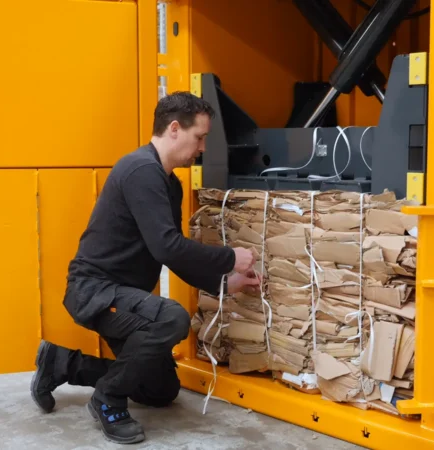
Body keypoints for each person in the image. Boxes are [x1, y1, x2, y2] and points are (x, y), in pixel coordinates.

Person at [29, 92, 260, 445]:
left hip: (124, 299)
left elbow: (171, 253)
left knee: (160, 390)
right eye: (199, 137)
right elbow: (167, 245)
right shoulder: (140, 170)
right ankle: (107, 400)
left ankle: (62, 364)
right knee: (172, 318)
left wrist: (224, 282)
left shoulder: (169, 183)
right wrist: (230, 258)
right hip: (95, 291)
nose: (201, 147)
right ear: (173, 129)